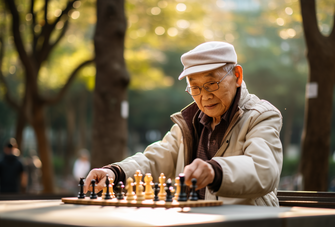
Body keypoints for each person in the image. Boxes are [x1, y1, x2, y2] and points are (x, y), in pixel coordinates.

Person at [84, 41, 283, 206]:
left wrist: (215, 170)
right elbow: (155, 159)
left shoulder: (261, 116)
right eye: (195, 87)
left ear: (237, 76)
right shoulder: (190, 122)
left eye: (211, 84)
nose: (204, 96)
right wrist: (115, 172)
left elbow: (263, 170)